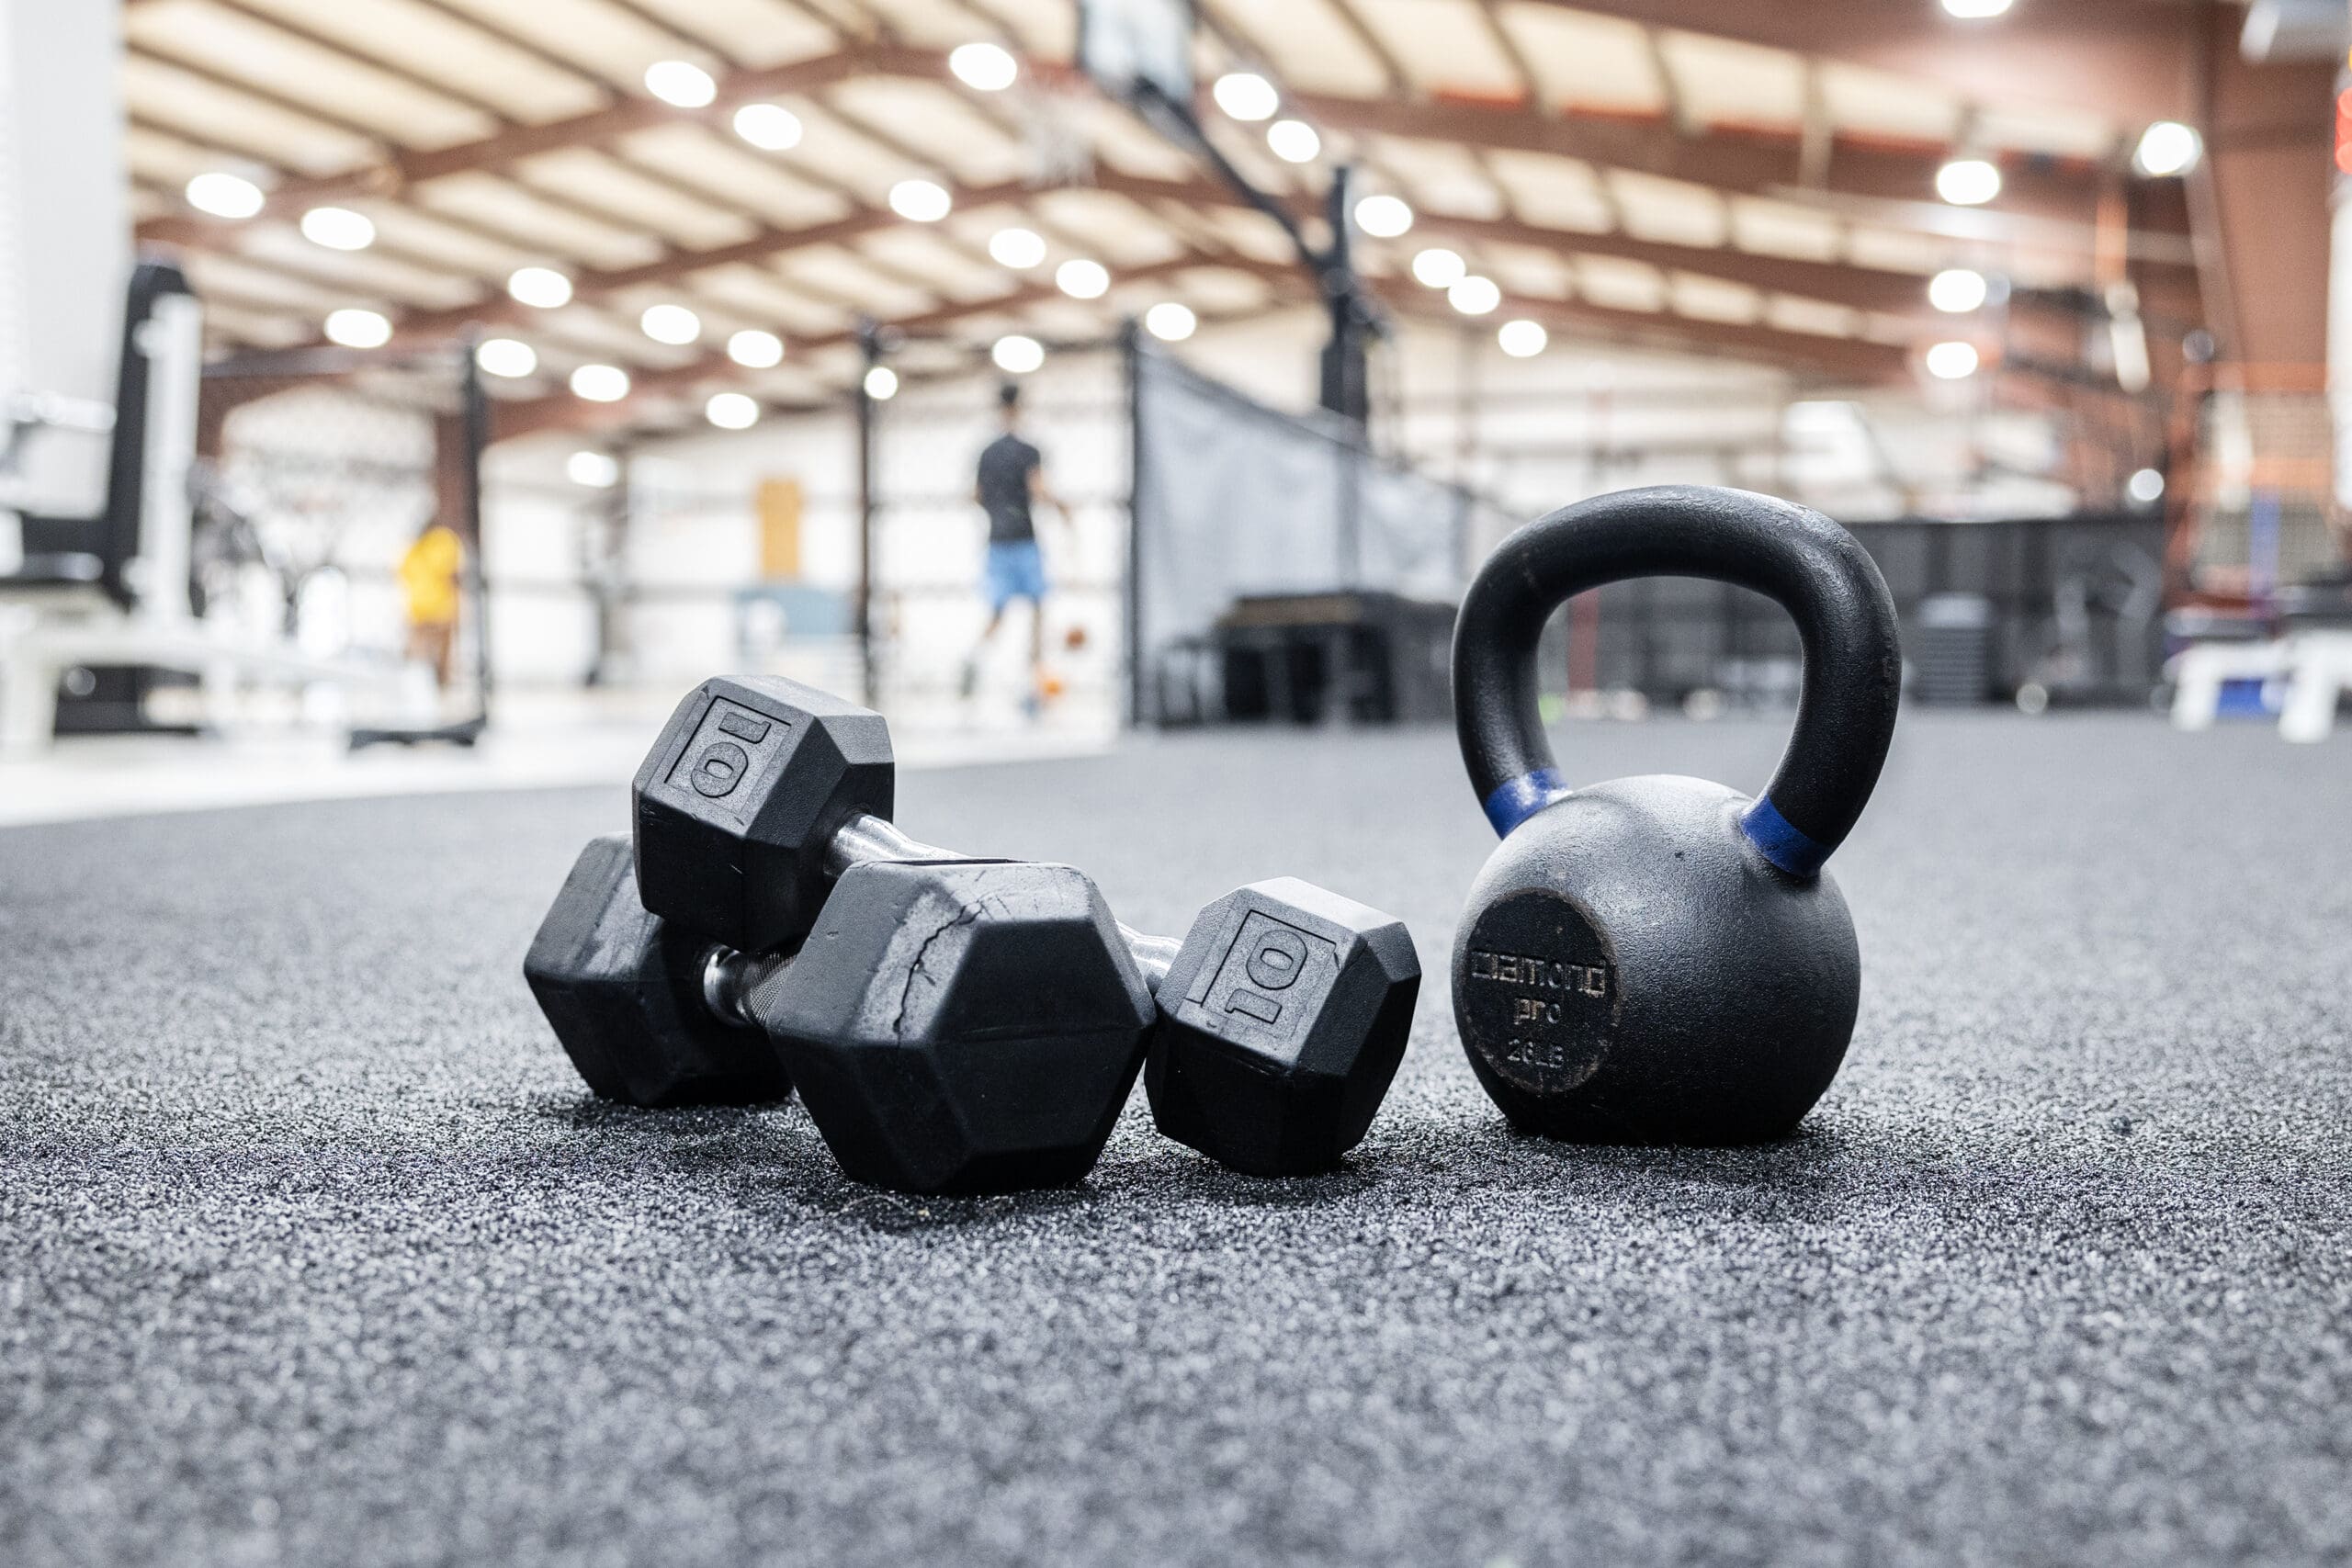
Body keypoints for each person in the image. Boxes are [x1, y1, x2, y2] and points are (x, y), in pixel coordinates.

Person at [962, 381, 1069, 705]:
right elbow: (1038, 490)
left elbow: (975, 495)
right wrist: (1063, 508)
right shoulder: (1027, 450)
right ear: (1019, 407)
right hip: (1023, 538)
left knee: (997, 613)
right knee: (1037, 608)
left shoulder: (987, 453)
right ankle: (1033, 680)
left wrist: (996, 511)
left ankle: (973, 661)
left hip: (997, 540)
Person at [398, 518, 464, 689]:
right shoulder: (443, 541)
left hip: (419, 609)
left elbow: (402, 574)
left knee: (421, 652)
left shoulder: (412, 548)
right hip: (441, 608)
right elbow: (453, 574)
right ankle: (440, 683)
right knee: (440, 654)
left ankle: (425, 683)